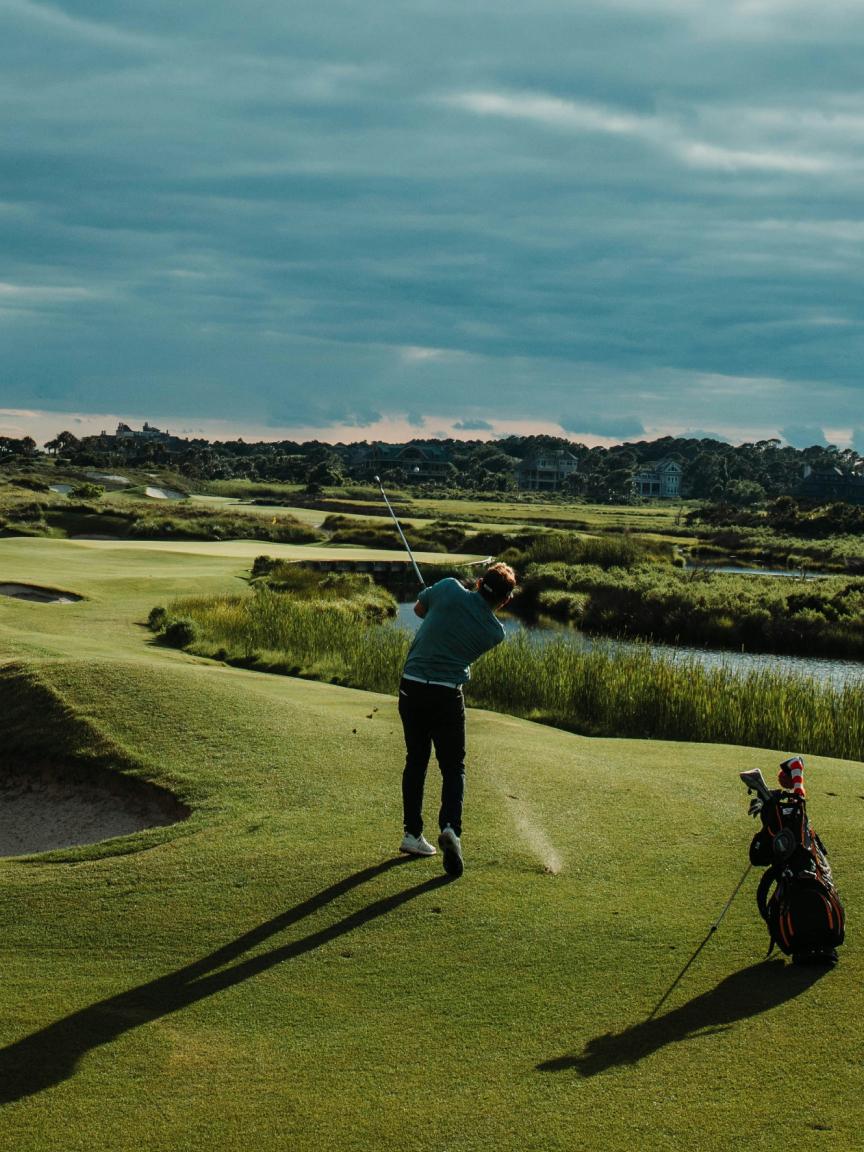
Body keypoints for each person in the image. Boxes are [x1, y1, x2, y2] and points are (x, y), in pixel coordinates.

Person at [397, 562, 518, 877]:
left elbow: (421, 609)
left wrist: (440, 601)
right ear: (504, 601)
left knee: (417, 760)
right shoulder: (495, 632)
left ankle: (412, 834)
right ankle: (451, 828)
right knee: (453, 767)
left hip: (411, 687)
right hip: (446, 696)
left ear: (479, 582)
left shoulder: (449, 587)